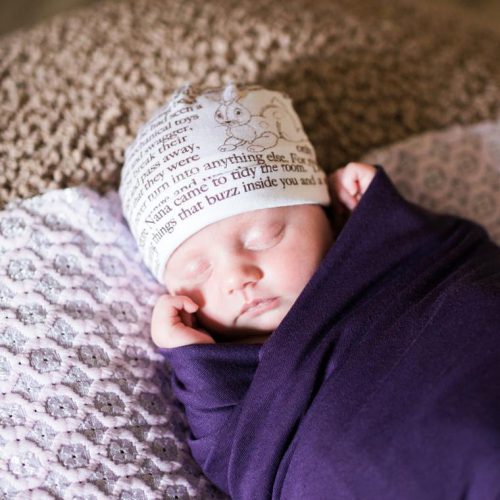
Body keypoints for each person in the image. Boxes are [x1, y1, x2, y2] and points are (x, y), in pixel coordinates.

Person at [119, 81, 500, 499]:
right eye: (199, 270)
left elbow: (460, 267)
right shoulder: (237, 387)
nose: (236, 276)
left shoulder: (404, 263)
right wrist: (194, 360)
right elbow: (233, 458)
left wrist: (385, 218)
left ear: (326, 213)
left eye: (266, 235)